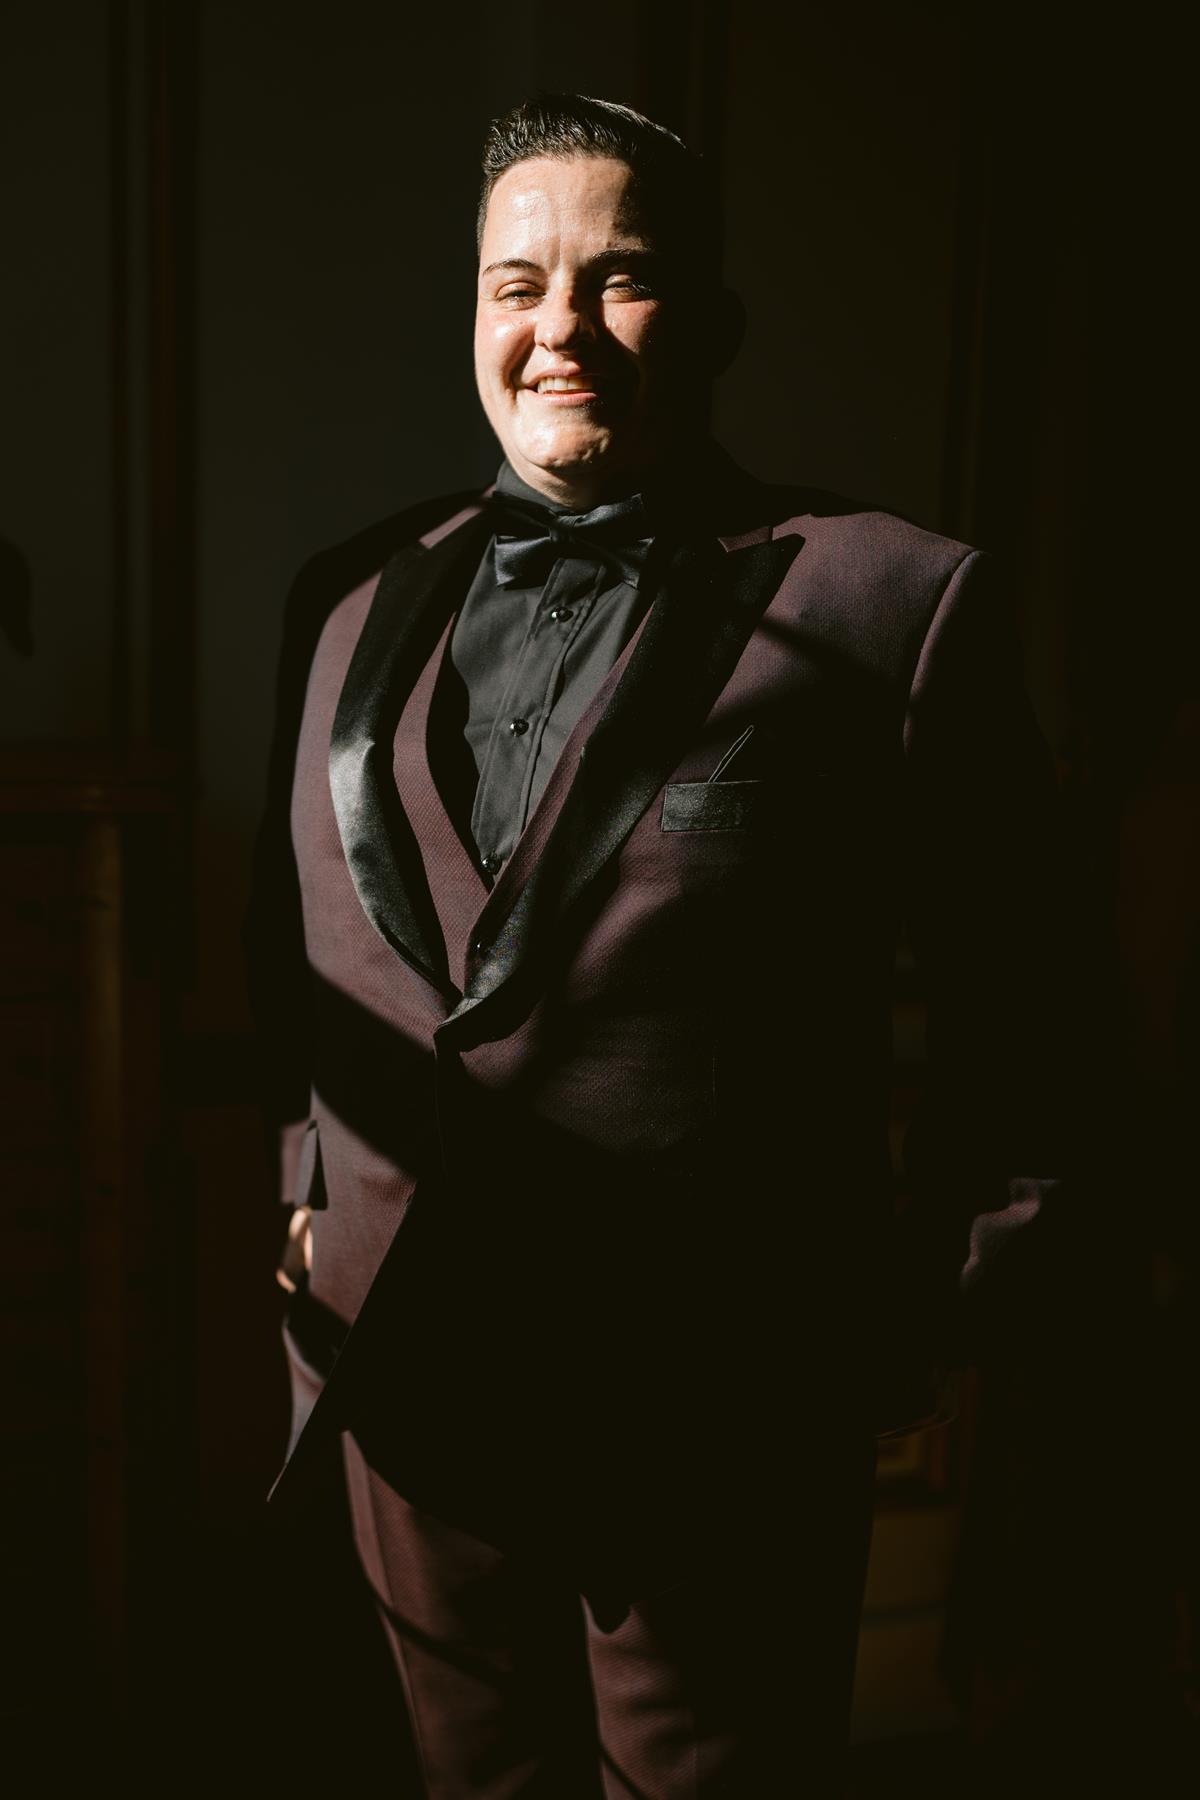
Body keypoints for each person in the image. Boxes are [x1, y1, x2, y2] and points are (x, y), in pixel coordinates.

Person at [247, 92, 1075, 1799]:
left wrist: (929, 1307)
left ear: (708, 320)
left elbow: (1038, 1010)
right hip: (409, 1381)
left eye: (615, 279)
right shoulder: (343, 597)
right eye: (516, 283)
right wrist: (307, 1177)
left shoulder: (887, 604)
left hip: (722, 1406)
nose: (557, 327)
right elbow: (297, 942)